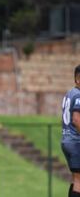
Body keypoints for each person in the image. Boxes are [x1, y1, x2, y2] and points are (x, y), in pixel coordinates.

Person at [61, 64, 80, 197]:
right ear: (77, 80)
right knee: (79, 181)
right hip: (75, 142)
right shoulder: (79, 95)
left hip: (66, 140)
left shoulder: (69, 93)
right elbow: (76, 119)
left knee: (76, 179)